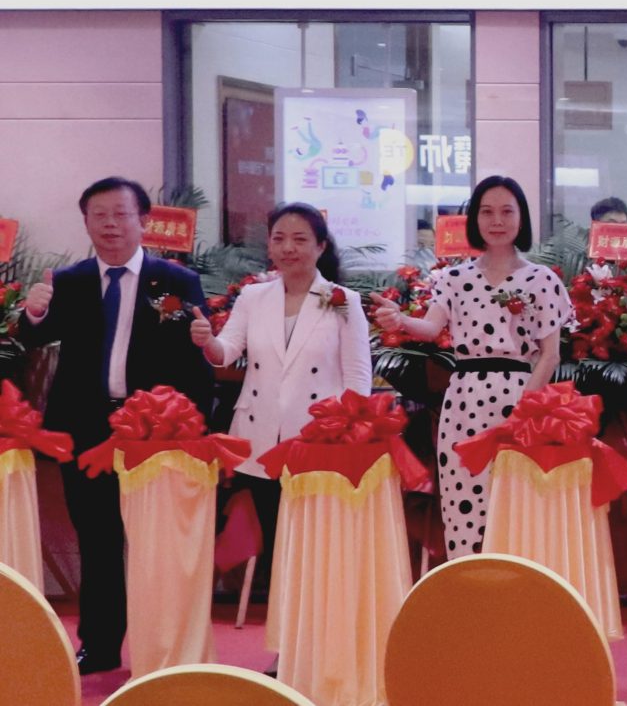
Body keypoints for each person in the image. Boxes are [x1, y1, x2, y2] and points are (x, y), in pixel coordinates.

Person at [17, 176, 213, 674]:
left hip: (154, 431)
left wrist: (193, 428)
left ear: (143, 221)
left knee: (156, 542)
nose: (110, 225)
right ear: (86, 222)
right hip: (86, 427)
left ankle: (161, 646)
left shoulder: (176, 281)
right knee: (97, 538)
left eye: (121, 214)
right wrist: (34, 313)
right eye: (99, 215)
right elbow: (36, 337)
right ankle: (100, 645)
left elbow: (195, 361)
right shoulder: (70, 281)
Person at [370, 175, 571, 557]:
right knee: (463, 503)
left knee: (516, 501)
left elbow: (550, 354)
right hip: (463, 400)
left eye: (507, 211)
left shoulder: (541, 279)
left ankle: (518, 587)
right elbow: (431, 328)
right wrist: (400, 320)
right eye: (487, 212)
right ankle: (466, 583)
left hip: (519, 400)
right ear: (474, 219)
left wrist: (524, 410)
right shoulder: (454, 278)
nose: (497, 221)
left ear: (522, 218)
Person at [196, 203, 372, 608]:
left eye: (299, 239)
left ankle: (319, 623)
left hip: (319, 442)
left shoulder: (341, 300)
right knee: (276, 539)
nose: (288, 248)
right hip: (261, 439)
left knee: (316, 543)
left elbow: (358, 378)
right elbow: (226, 352)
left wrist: (350, 436)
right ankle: (285, 630)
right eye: (279, 239)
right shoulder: (253, 297)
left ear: (321, 246)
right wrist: (207, 341)